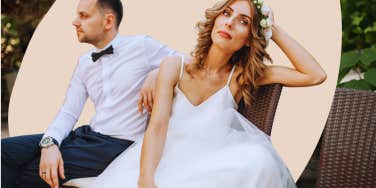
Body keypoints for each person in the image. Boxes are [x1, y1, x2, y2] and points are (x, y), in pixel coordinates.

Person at [88, 0, 327, 187]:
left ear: (248, 39)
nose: (230, 23)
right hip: (164, 159)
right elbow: (157, 127)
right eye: (226, 13)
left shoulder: (241, 76)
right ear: (215, 20)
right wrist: (146, 180)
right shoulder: (174, 66)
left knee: (260, 161)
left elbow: (314, 75)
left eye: (243, 21)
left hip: (213, 165)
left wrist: (271, 27)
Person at [1, 0, 179, 187]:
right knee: (3, 151)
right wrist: (50, 143)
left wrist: (158, 72)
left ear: (108, 21)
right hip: (86, 135)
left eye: (84, 16)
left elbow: (188, 62)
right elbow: (68, 112)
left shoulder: (142, 46)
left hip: (117, 145)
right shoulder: (84, 63)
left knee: (31, 171)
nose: (75, 22)